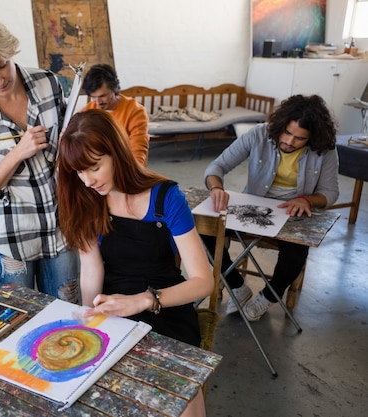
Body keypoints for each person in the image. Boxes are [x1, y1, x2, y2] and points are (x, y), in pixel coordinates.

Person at [57, 109, 213, 417]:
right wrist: (92, 319)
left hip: (166, 306)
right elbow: (92, 270)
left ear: (116, 153)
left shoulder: (165, 195)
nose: (87, 181)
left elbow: (203, 281)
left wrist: (146, 300)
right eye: (79, 171)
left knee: (181, 392)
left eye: (95, 167)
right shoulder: (87, 199)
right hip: (114, 307)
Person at [0, 13, 79, 302]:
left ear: (9, 51)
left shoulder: (48, 83)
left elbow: (67, 146)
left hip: (61, 225)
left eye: (1, 66)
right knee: (19, 318)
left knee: (67, 311)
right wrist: (17, 153)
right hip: (10, 236)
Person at [202, 94, 339, 321]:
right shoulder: (260, 134)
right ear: (280, 125)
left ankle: (269, 296)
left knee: (297, 250)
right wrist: (216, 187)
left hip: (293, 211)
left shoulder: (324, 148)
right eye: (287, 133)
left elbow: (330, 192)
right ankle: (236, 285)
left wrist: (306, 200)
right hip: (253, 203)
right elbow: (218, 166)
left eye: (299, 138)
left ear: (312, 138)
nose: (289, 142)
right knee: (205, 229)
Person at [80, 63, 150, 165]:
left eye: (103, 96)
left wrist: (134, 174)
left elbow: (138, 148)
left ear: (115, 89)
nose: (98, 102)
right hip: (96, 169)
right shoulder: (86, 112)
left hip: (126, 167)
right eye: (93, 97)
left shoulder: (135, 111)